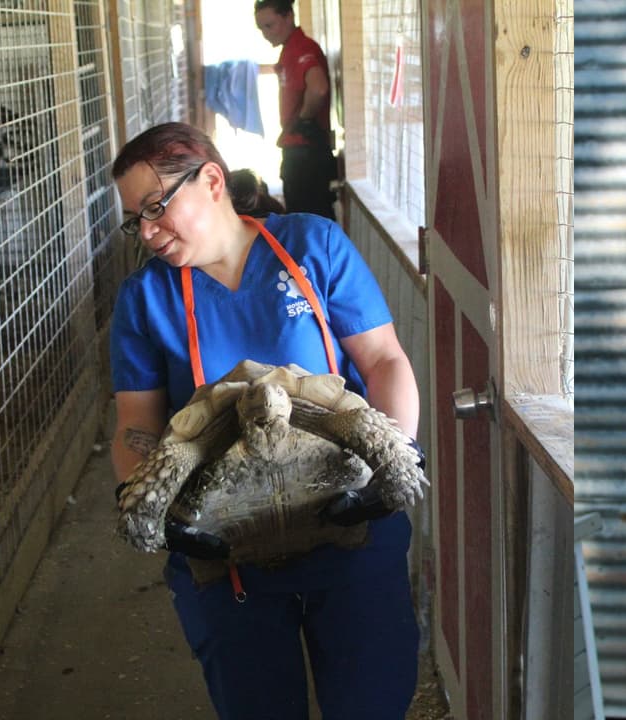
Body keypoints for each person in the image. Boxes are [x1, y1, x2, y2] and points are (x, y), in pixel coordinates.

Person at [109, 121, 420, 719]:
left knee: (372, 700)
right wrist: (152, 508)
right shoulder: (145, 299)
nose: (146, 232)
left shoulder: (313, 246)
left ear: (212, 181)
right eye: (135, 219)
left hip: (349, 523)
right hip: (226, 554)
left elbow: (384, 361)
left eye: (156, 208)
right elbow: (134, 426)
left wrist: (394, 459)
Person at [254, 0, 337, 220]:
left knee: (310, 222)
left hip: (307, 152)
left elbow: (318, 88)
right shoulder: (289, 50)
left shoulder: (302, 48)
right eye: (261, 28)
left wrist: (304, 120)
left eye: (269, 25)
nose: (265, 33)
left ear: (289, 16)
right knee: (301, 220)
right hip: (297, 150)